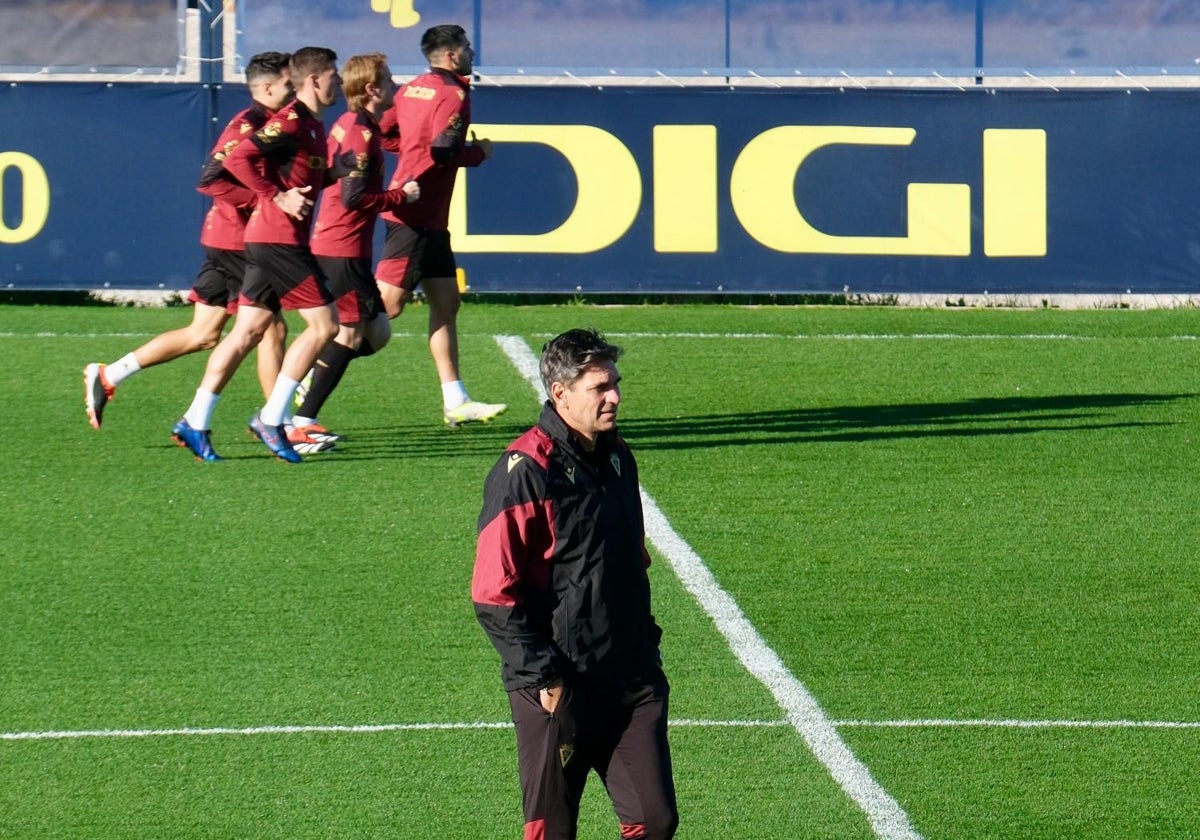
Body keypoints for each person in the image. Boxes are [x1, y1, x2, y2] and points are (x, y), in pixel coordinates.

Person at [472, 328, 678, 840]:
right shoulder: (525, 472)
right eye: (600, 387)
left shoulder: (617, 457)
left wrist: (645, 643)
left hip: (630, 675)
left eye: (616, 383)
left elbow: (632, 558)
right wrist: (544, 677)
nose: (615, 397)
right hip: (557, 683)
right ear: (561, 394)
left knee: (654, 821)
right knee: (552, 831)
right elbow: (494, 593)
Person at [82, 52, 294, 430]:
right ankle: (282, 425)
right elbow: (210, 178)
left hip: (225, 237)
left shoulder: (274, 123)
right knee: (271, 328)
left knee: (203, 334)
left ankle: (110, 373)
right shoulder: (248, 125)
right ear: (267, 87)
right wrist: (266, 200)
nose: (293, 90)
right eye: (288, 84)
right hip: (236, 240)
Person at [171, 46, 342, 463]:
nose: (338, 82)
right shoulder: (293, 119)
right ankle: (273, 417)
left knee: (247, 333)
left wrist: (329, 176)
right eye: (334, 75)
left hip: (268, 239)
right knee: (325, 326)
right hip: (277, 239)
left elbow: (297, 175)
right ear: (315, 80)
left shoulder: (313, 124)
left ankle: (195, 420)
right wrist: (277, 196)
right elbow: (242, 157)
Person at [375, 23, 506, 428]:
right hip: (413, 216)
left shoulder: (410, 88)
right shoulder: (454, 93)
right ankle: (311, 370)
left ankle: (456, 400)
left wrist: (411, 153)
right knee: (385, 308)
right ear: (451, 55)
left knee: (446, 303)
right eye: (465, 46)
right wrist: (479, 153)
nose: (470, 51)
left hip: (428, 216)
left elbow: (386, 133)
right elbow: (445, 151)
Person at [294, 51, 419, 444]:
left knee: (377, 332)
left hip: (346, 248)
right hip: (341, 248)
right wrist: (399, 197)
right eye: (390, 80)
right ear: (372, 90)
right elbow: (353, 198)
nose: (395, 87)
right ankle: (301, 420)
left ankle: (308, 380)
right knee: (347, 335)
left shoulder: (353, 124)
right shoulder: (360, 133)